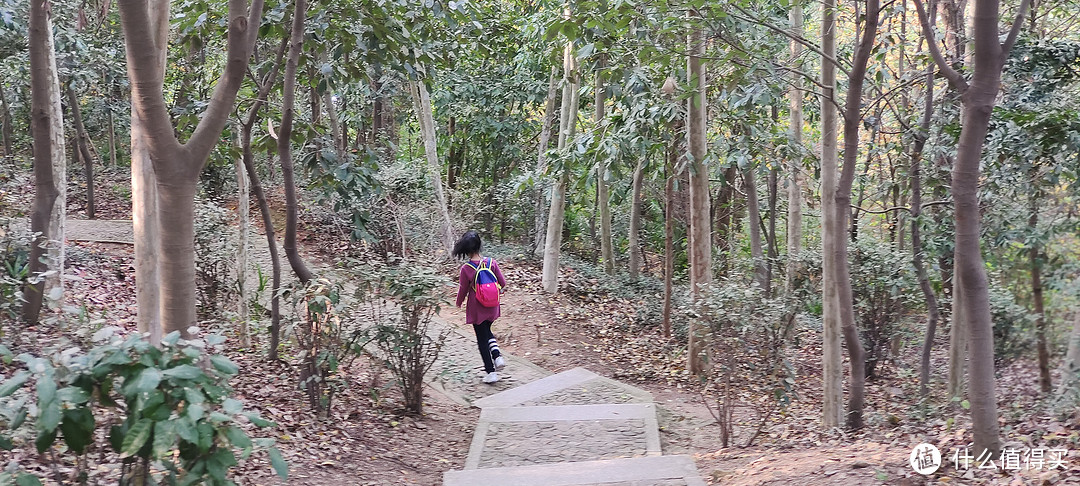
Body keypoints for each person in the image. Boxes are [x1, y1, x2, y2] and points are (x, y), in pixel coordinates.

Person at [453, 231, 508, 384]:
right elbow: (502, 283)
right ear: (479, 245)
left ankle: (491, 372)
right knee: (487, 331)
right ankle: (497, 356)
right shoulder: (492, 263)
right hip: (492, 305)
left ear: (466, 249)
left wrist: (458, 303)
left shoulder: (466, 268)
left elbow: (463, 289)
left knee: (482, 339)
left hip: (477, 307)